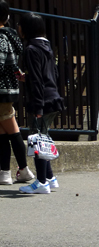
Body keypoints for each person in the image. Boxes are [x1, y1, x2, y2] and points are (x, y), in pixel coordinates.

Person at [16, 12, 64, 195]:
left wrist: (37, 108)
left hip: (41, 100)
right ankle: (50, 178)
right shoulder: (46, 46)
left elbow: (37, 81)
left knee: (36, 141)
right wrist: (25, 78)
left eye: (20, 25)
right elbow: (51, 75)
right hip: (53, 97)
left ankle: (41, 182)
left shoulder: (30, 49)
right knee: (43, 139)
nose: (18, 28)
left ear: (27, 28)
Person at [0, 0, 35, 185]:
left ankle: (23, 169)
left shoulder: (0, 37)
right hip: (7, 88)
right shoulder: (9, 36)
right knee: (3, 133)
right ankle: (5, 172)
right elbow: (11, 63)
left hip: (1, 91)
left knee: (12, 130)